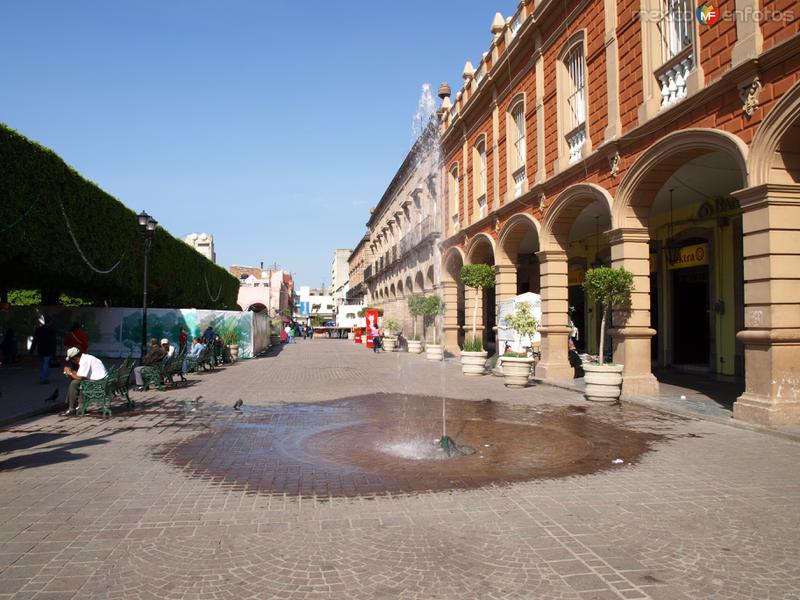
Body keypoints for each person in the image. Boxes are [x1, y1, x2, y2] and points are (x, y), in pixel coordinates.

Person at [61, 347, 107, 416]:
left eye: (71, 360)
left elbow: (79, 378)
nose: (72, 362)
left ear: (75, 358)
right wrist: (71, 371)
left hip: (98, 384)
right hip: (101, 381)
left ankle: (71, 409)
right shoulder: (86, 358)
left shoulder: (84, 361)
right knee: (76, 382)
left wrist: (69, 373)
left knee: (74, 383)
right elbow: (80, 375)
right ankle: (76, 406)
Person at [30, 316, 57, 384]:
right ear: (50, 322)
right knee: (46, 363)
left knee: (44, 363)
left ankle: (44, 377)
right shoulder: (51, 330)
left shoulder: (39, 329)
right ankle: (44, 378)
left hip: (41, 348)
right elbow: (53, 341)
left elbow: (35, 340)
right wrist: (54, 352)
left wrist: (32, 350)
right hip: (49, 349)